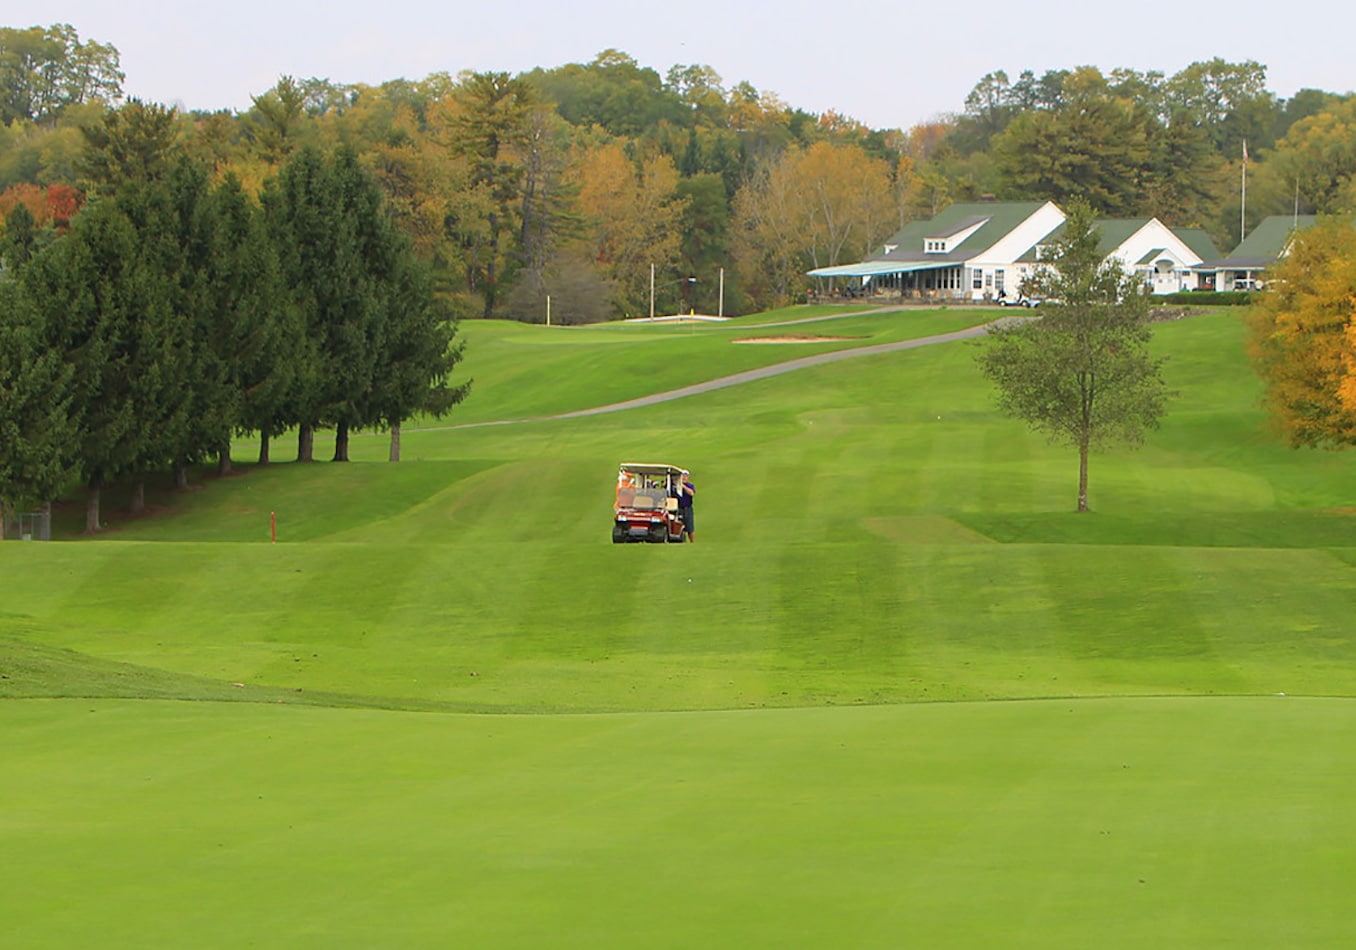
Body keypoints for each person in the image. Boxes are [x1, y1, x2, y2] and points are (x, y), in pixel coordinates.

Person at [676, 470, 695, 542]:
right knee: (678, 525)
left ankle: (692, 543)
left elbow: (691, 493)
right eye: (683, 476)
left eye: (686, 476)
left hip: (687, 508)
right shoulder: (676, 486)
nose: (684, 477)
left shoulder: (690, 486)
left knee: (690, 528)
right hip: (678, 508)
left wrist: (683, 486)